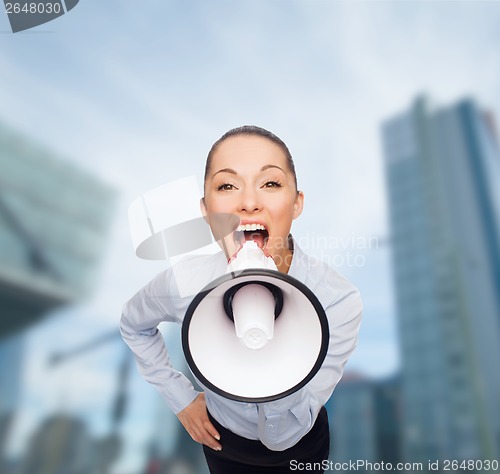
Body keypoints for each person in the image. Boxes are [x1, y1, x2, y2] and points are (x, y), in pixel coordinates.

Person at [121, 126, 363, 473]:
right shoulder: (184, 283)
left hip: (300, 448)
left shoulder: (338, 301)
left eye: (270, 183)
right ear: (206, 211)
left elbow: (284, 436)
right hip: (222, 442)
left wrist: (273, 360)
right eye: (227, 186)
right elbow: (133, 325)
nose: (249, 202)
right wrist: (182, 400)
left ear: (297, 204)